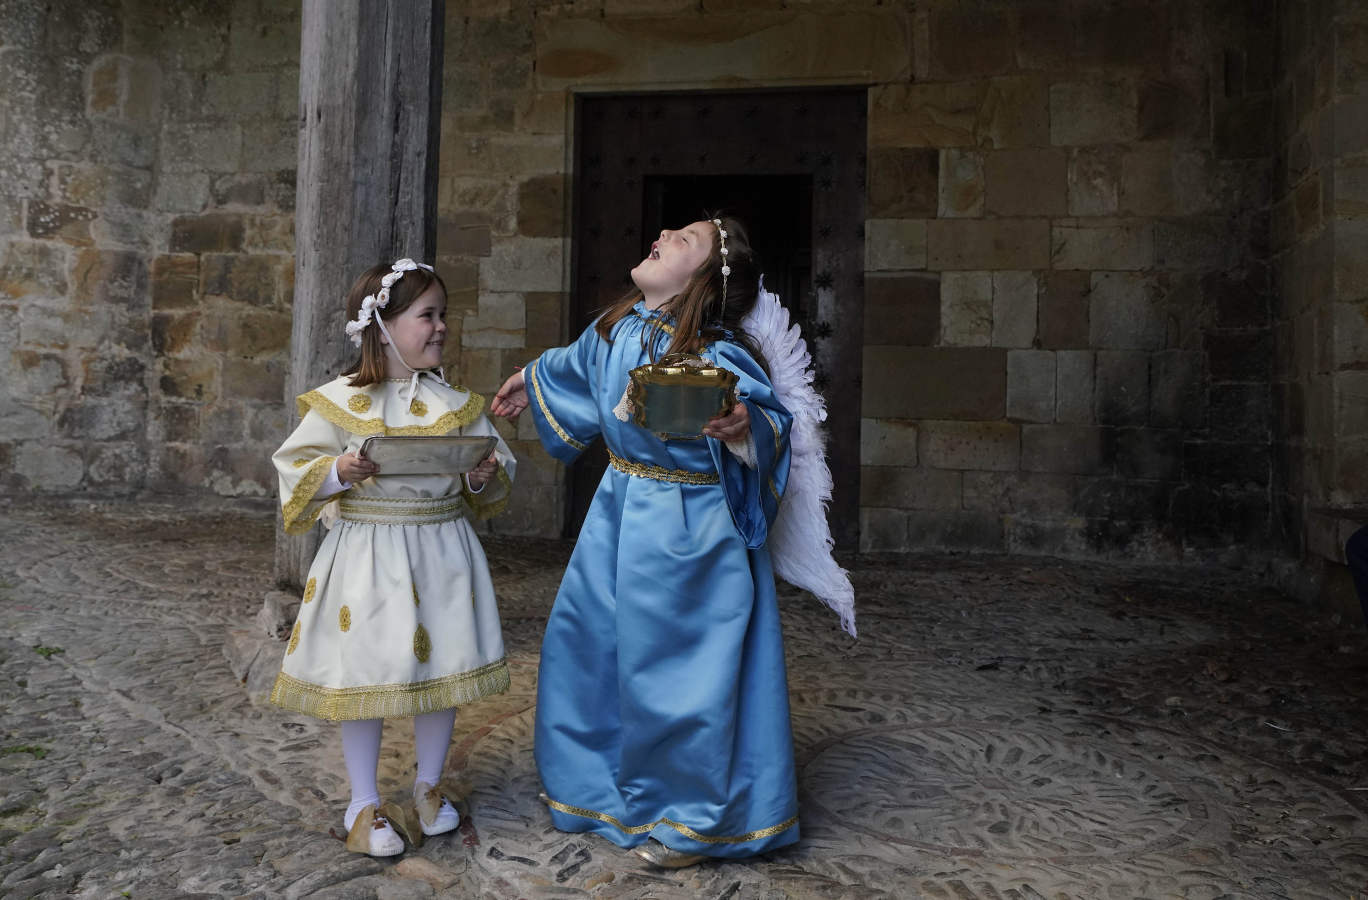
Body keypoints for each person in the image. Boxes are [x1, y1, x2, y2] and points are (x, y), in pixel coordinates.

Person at [491, 216, 799, 868]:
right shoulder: (616, 329)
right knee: (591, 651)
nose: (663, 233)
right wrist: (531, 378)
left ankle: (692, 818)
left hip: (693, 536)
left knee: (682, 677)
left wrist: (743, 421)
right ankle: (596, 791)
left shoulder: (718, 353)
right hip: (617, 518)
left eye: (685, 239)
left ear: (704, 282)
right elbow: (573, 367)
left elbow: (770, 418)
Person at [269, 258, 515, 857]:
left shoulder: (456, 403)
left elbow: (489, 467)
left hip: (442, 549)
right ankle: (362, 803)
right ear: (383, 327)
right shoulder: (342, 402)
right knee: (367, 669)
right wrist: (338, 469)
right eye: (427, 315)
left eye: (443, 315)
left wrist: (480, 474)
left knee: (443, 667)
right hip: (370, 554)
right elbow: (294, 468)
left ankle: (429, 785)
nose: (441, 326)